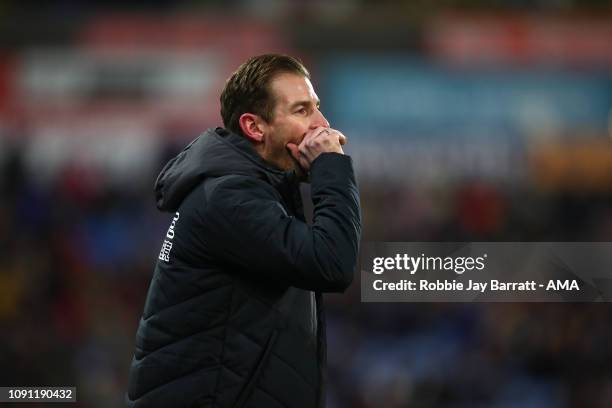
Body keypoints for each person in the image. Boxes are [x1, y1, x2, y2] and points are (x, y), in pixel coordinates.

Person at [126, 54, 361, 408]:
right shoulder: (227, 197)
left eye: (316, 107)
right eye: (301, 111)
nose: (322, 124)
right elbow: (332, 263)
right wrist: (332, 168)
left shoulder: (255, 190)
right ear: (254, 127)